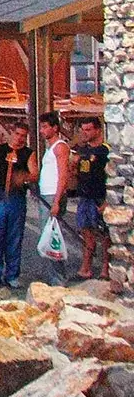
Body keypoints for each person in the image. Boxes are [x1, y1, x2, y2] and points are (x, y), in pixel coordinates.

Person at [0, 122, 34, 289]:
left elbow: (35, 173)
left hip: (16, 200)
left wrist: (24, 176)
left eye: (23, 136)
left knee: (14, 238)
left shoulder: (28, 153)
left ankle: (12, 275)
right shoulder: (0, 149)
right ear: (11, 133)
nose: (19, 138)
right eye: (17, 134)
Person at [35, 111, 74, 285]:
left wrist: (57, 201)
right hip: (46, 193)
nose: (42, 130)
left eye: (45, 127)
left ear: (54, 127)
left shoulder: (60, 147)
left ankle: (58, 277)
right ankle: (53, 275)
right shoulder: (50, 148)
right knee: (47, 234)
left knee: (51, 235)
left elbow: (63, 175)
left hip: (53, 195)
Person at [74, 119, 110, 281]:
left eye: (88, 130)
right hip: (84, 196)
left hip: (99, 196)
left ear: (97, 130)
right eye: (83, 129)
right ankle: (86, 267)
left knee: (104, 234)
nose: (85, 133)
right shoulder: (83, 151)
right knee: (86, 231)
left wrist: (107, 201)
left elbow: (111, 176)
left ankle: (106, 268)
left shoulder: (105, 151)